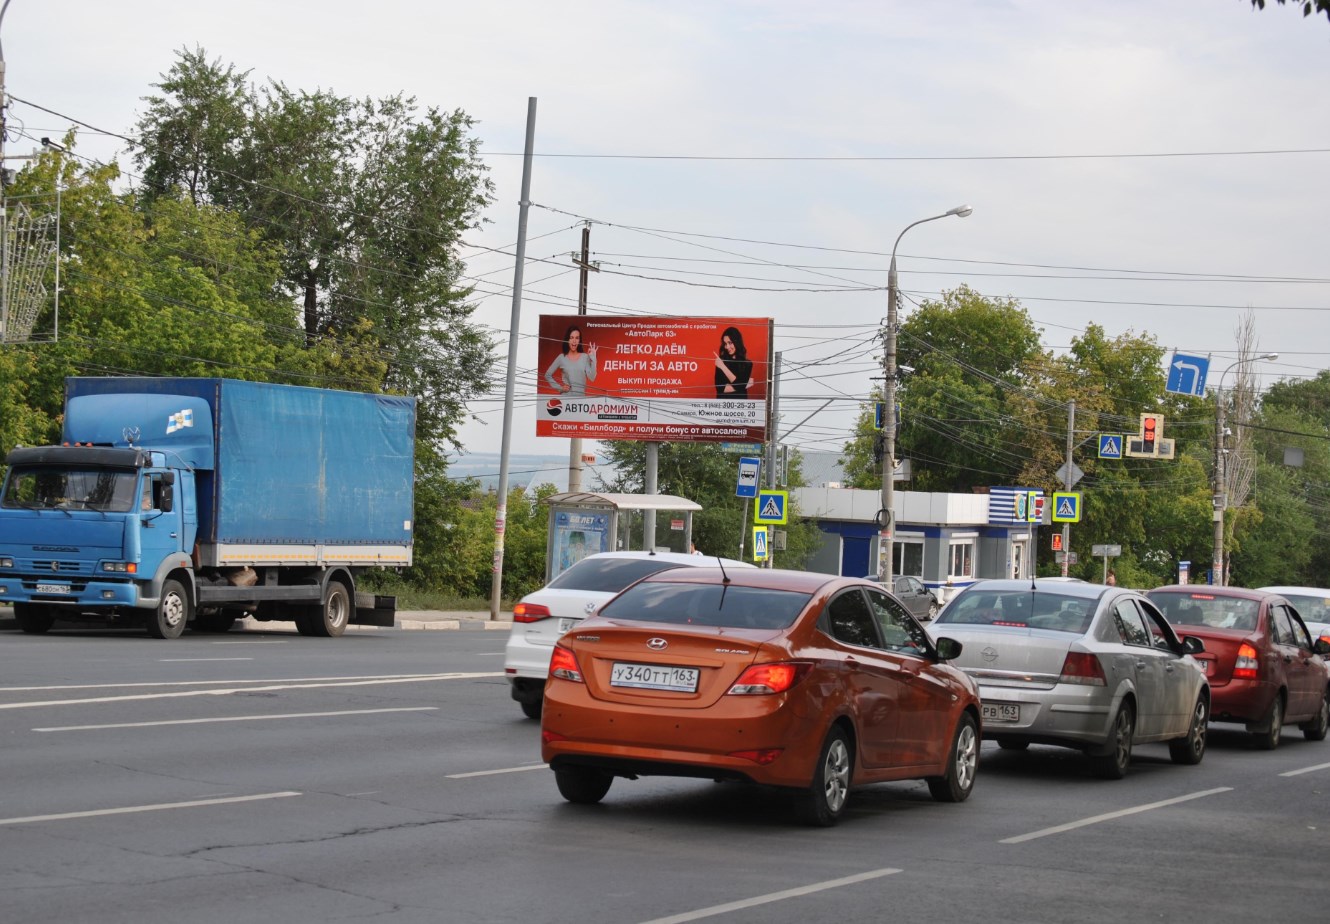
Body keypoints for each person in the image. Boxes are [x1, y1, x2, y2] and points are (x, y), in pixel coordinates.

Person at [544, 325, 598, 396]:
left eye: (577, 338)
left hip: (581, 401)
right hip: (566, 400)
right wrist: (560, 388)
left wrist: (593, 358)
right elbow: (547, 375)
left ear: (579, 340)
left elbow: (592, 377)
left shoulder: (585, 357)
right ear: (567, 340)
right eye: (571, 338)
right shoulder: (561, 357)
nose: (574, 341)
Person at [713, 326, 752, 398]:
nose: (727, 347)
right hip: (722, 405)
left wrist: (723, 367)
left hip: (740, 405)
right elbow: (719, 388)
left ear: (737, 342)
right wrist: (744, 385)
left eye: (730, 343)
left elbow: (740, 386)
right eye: (725, 344)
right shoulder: (721, 360)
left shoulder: (747, 364)